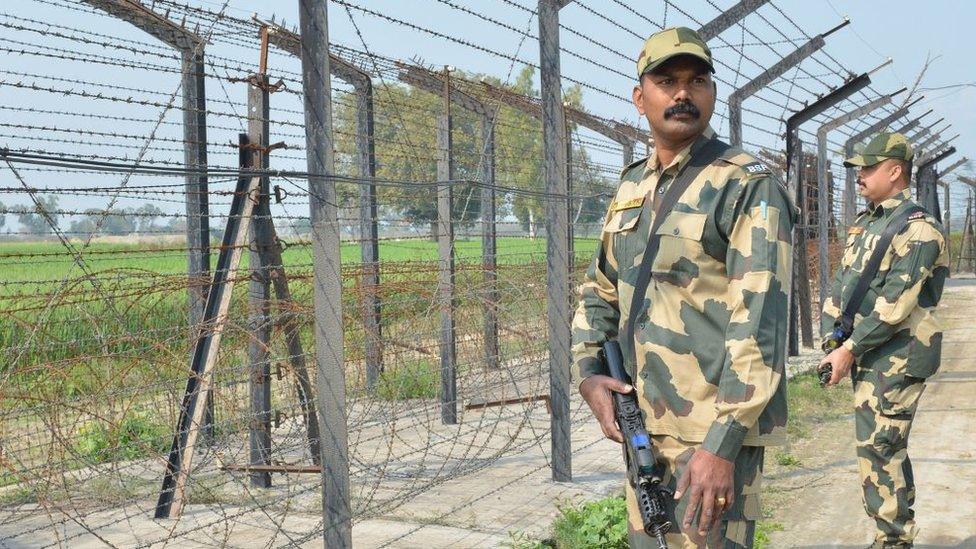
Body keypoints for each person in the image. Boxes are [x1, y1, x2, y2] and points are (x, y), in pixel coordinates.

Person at [572, 26, 796, 548]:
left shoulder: (744, 184)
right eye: (666, 80)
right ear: (639, 96)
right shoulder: (632, 185)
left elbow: (760, 320)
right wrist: (588, 375)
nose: (682, 94)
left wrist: (723, 445)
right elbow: (599, 290)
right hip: (642, 424)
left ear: (712, 94)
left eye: (697, 81)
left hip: (710, 434)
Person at [820, 132, 948, 549]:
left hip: (898, 356)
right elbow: (843, 283)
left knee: (880, 449)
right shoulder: (866, 222)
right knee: (885, 448)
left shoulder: (920, 231)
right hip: (868, 351)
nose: (860, 175)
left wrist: (849, 348)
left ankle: (893, 541)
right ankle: (897, 535)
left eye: (868, 167)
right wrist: (831, 338)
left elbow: (895, 305)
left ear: (895, 171)